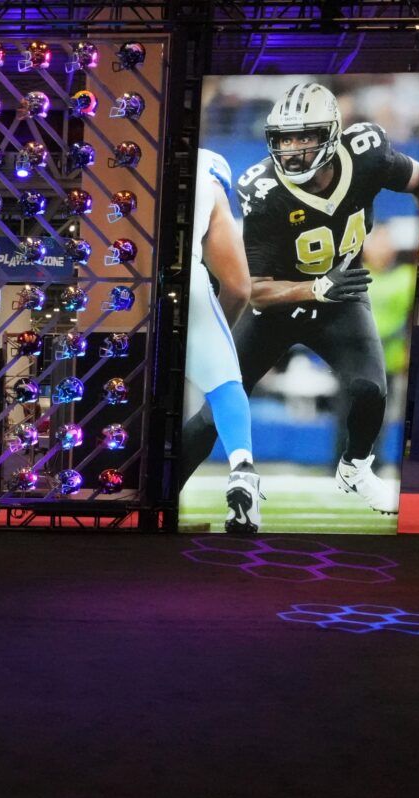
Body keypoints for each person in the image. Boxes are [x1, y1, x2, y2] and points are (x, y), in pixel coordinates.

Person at [175, 81, 419, 518]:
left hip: (341, 299)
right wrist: (314, 288)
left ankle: (356, 466)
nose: (292, 148)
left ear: (330, 134)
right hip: (276, 307)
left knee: (370, 390)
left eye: (304, 136)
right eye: (285, 138)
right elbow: (253, 285)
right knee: (215, 412)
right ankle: (167, 485)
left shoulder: (368, 153)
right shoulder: (263, 189)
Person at [179, 146, 258, 532]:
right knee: (226, 382)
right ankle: (242, 470)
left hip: (117, 289)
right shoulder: (209, 181)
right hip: (185, 288)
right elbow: (239, 287)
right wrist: (215, 336)